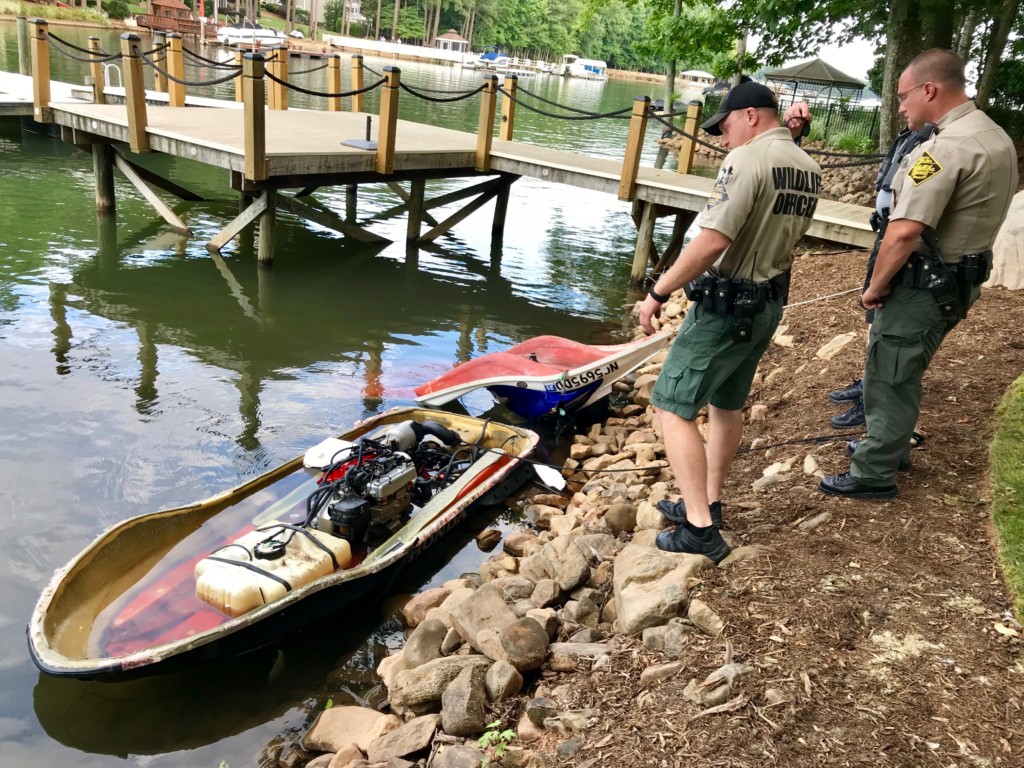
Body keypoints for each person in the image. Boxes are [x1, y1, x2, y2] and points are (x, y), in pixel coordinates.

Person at [819, 49, 1018, 498]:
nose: (902, 106)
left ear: (930, 89)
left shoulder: (947, 147)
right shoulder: (994, 135)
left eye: (905, 96)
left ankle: (873, 475)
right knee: (904, 372)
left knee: (888, 376)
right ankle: (889, 450)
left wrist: (875, 286)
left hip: (924, 286)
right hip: (959, 282)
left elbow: (904, 232)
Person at [638, 81, 822, 561]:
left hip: (725, 307)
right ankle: (710, 502)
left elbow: (714, 239)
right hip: (767, 304)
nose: (721, 138)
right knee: (726, 403)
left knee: (672, 405)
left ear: (752, 117)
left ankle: (700, 528)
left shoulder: (745, 160)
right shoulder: (806, 166)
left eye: (725, 126)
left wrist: (657, 292)